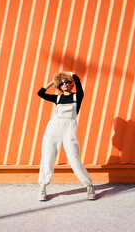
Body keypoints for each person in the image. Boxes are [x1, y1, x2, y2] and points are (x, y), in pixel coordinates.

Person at [37, 71, 96, 201]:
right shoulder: (57, 98)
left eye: (66, 82)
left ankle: (89, 186)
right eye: (62, 83)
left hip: (69, 129)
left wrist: (72, 74)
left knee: (74, 159)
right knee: (47, 158)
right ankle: (43, 187)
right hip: (53, 129)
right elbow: (40, 93)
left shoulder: (77, 97)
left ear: (71, 84)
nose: (64, 84)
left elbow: (79, 83)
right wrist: (53, 81)